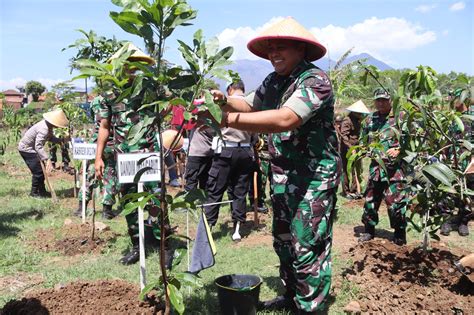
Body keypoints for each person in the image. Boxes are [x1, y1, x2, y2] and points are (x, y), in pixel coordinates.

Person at [206, 17, 341, 314]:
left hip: (314, 178)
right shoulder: (274, 80)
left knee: (307, 244)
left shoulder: (314, 80)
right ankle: (292, 295)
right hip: (283, 176)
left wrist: (228, 119)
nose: (273, 53)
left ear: (301, 50)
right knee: (284, 241)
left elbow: (285, 119)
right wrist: (226, 101)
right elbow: (251, 106)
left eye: (281, 47)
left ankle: (309, 307)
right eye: (270, 49)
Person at [95, 43, 166, 265]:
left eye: (134, 64)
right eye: (125, 64)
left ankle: (163, 244)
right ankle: (137, 245)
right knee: (129, 202)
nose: (130, 69)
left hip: (148, 154)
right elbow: (105, 127)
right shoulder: (109, 93)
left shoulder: (150, 88)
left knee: (156, 198)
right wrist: (98, 157)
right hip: (123, 157)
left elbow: (167, 106)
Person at [204, 80, 254, 242]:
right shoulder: (250, 104)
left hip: (226, 151)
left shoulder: (224, 102)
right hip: (246, 151)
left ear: (230, 90)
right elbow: (255, 134)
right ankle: (237, 230)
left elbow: (214, 126)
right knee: (239, 191)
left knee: (215, 189)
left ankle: (208, 228)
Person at [358, 88, 408, 245]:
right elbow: (362, 142)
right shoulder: (369, 120)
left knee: (396, 203)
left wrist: (399, 149)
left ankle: (400, 233)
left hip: (396, 170)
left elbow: (411, 141)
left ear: (390, 100)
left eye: (384, 100)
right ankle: (369, 230)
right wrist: (367, 151)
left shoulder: (400, 118)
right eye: (378, 100)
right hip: (376, 170)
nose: (380, 103)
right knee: (371, 201)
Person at [74, 95, 119, 220]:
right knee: (110, 176)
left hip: (95, 142)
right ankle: (107, 210)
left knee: (89, 174)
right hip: (110, 142)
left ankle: (81, 207)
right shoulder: (114, 99)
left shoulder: (94, 101)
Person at [441, 88, 473, 236]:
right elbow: (446, 141)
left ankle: (463, 222)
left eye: (455, 98)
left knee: (468, 193)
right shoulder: (451, 118)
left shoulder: (471, 116)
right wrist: (443, 155)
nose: (453, 102)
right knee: (449, 192)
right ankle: (447, 221)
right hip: (452, 162)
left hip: (468, 162)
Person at [18, 109, 69, 198]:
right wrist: (47, 159)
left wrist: (61, 141)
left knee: (41, 171)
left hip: (33, 149)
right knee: (38, 172)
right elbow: (38, 146)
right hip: (27, 149)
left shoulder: (48, 126)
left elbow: (50, 138)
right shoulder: (44, 129)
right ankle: (34, 193)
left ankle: (42, 191)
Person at [339, 100, 370, 199]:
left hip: (356, 147)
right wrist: (350, 148)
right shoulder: (347, 120)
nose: (361, 114)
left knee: (355, 169)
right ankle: (346, 191)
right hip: (347, 148)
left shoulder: (357, 120)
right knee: (346, 170)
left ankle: (355, 189)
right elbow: (344, 135)